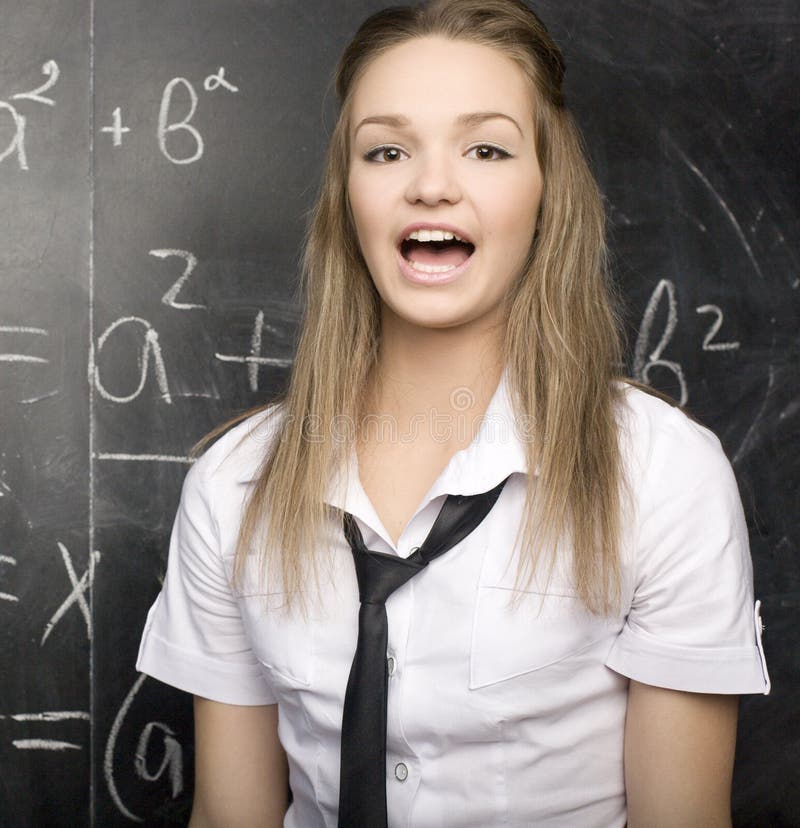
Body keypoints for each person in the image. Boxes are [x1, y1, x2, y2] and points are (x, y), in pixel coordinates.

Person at [136, 1, 770, 826]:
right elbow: (230, 818)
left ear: (547, 193)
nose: (431, 185)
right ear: (348, 196)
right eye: (387, 150)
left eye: (486, 148)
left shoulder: (661, 474)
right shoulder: (234, 485)